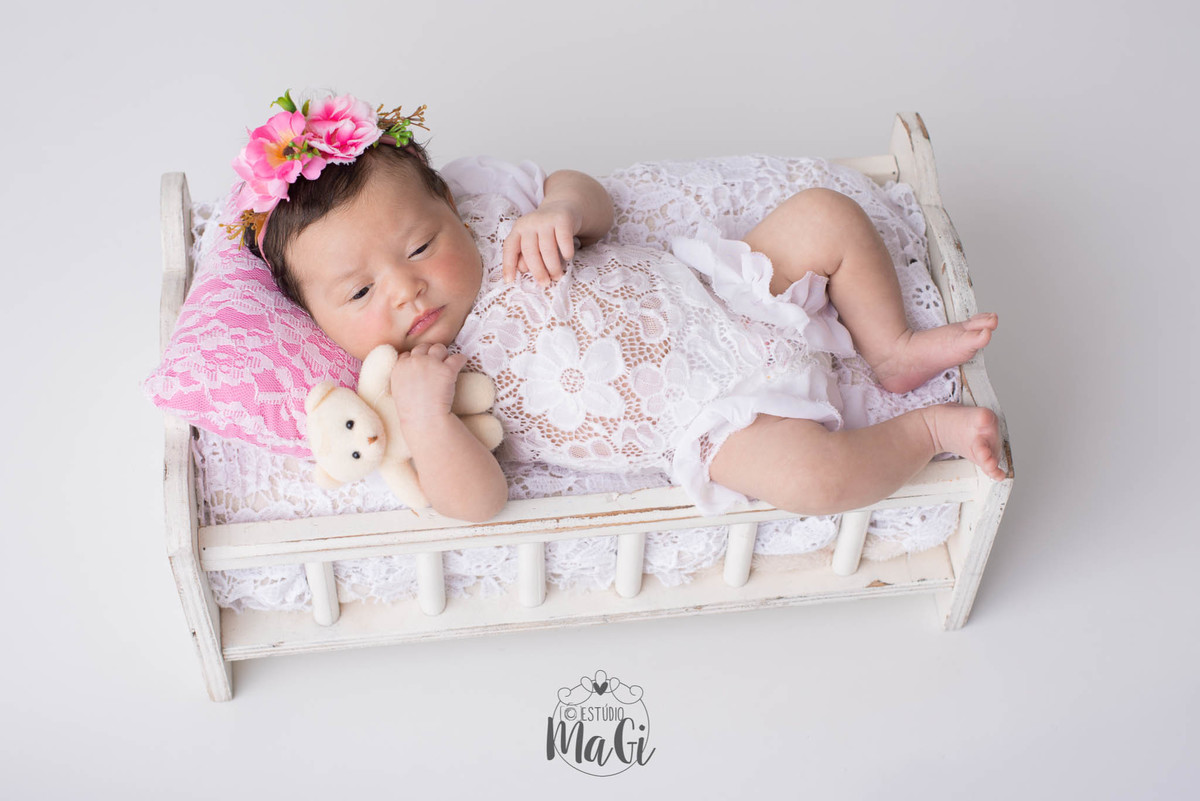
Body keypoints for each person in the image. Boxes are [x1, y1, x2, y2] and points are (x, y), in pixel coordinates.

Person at [227, 91, 1004, 523]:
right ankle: (928, 430)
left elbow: (586, 191)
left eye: (421, 245)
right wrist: (430, 420)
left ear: (450, 209)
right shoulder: (409, 387)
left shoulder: (491, 205)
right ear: (320, 321)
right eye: (360, 293)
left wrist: (561, 208)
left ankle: (890, 348)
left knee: (825, 215)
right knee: (814, 478)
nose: (405, 288)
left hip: (717, 287)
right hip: (707, 417)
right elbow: (476, 500)